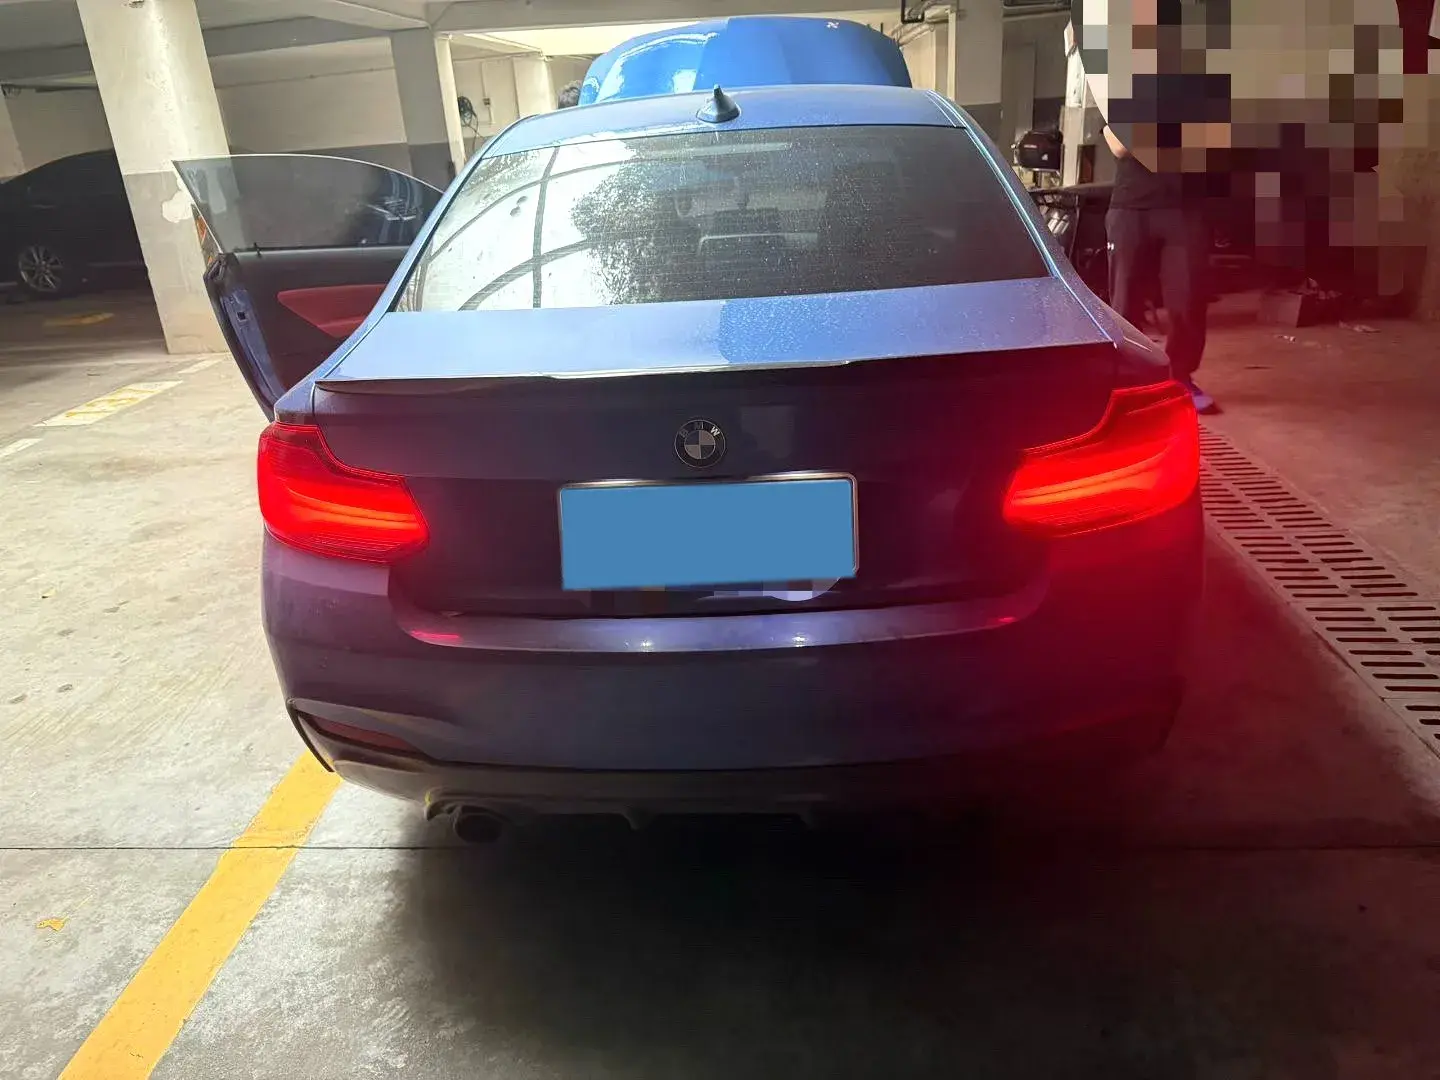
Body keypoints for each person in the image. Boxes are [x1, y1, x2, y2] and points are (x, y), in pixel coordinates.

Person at [1102, 125, 1217, 414]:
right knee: (1124, 303)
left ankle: (1180, 378)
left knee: (1188, 301)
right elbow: (1119, 145)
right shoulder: (1122, 98)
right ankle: (1125, 382)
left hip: (1185, 208)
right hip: (1131, 207)